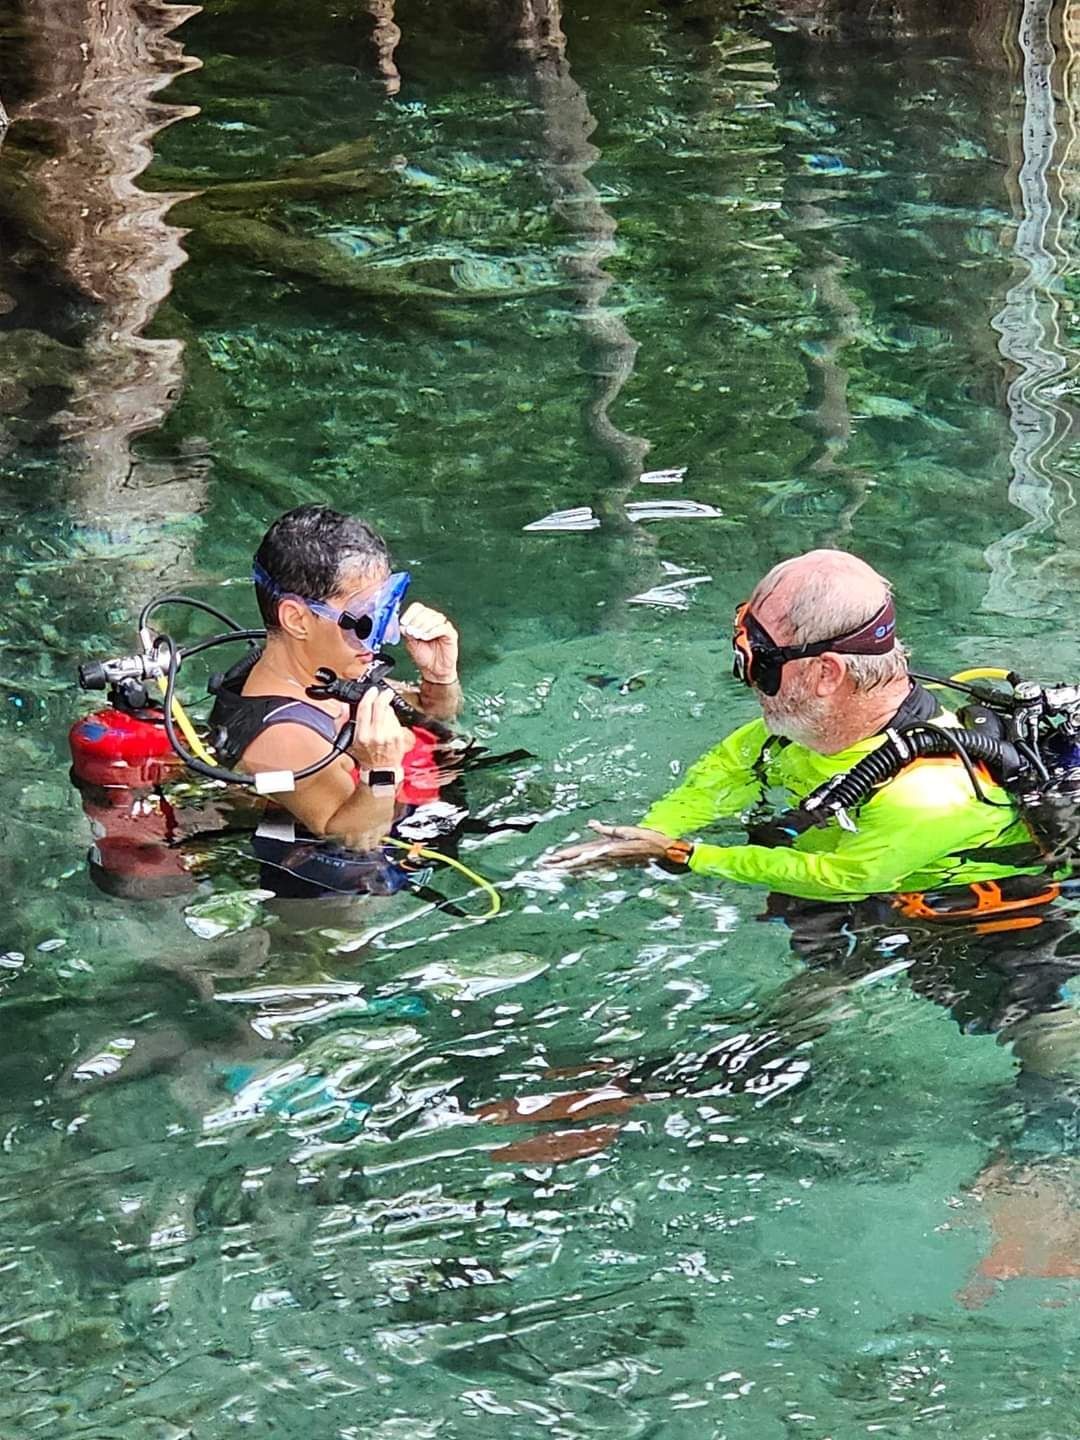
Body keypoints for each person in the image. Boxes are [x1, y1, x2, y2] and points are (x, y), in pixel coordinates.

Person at [547, 548, 1047, 904]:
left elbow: (839, 878)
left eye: (757, 662)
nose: (747, 680)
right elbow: (728, 770)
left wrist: (688, 854)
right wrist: (653, 830)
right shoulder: (799, 726)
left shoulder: (929, 795)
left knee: (1039, 1034)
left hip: (982, 911)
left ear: (826, 673)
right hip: (854, 875)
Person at [208, 504, 463, 898]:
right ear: (297, 619)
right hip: (327, 892)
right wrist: (380, 769)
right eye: (363, 619)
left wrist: (439, 677)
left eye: (384, 612)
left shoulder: (325, 667)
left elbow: (435, 716)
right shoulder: (284, 737)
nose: (381, 637)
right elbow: (358, 836)